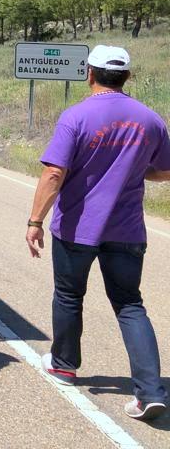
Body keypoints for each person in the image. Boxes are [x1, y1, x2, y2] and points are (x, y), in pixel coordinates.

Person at [26, 45, 170, 421]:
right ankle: (150, 391)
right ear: (127, 77)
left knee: (69, 296)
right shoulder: (151, 119)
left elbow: (54, 173)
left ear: (89, 73)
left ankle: (64, 364)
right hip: (126, 230)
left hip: (77, 228)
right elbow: (165, 171)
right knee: (129, 305)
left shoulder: (76, 116)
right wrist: (135, 170)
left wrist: (35, 221)